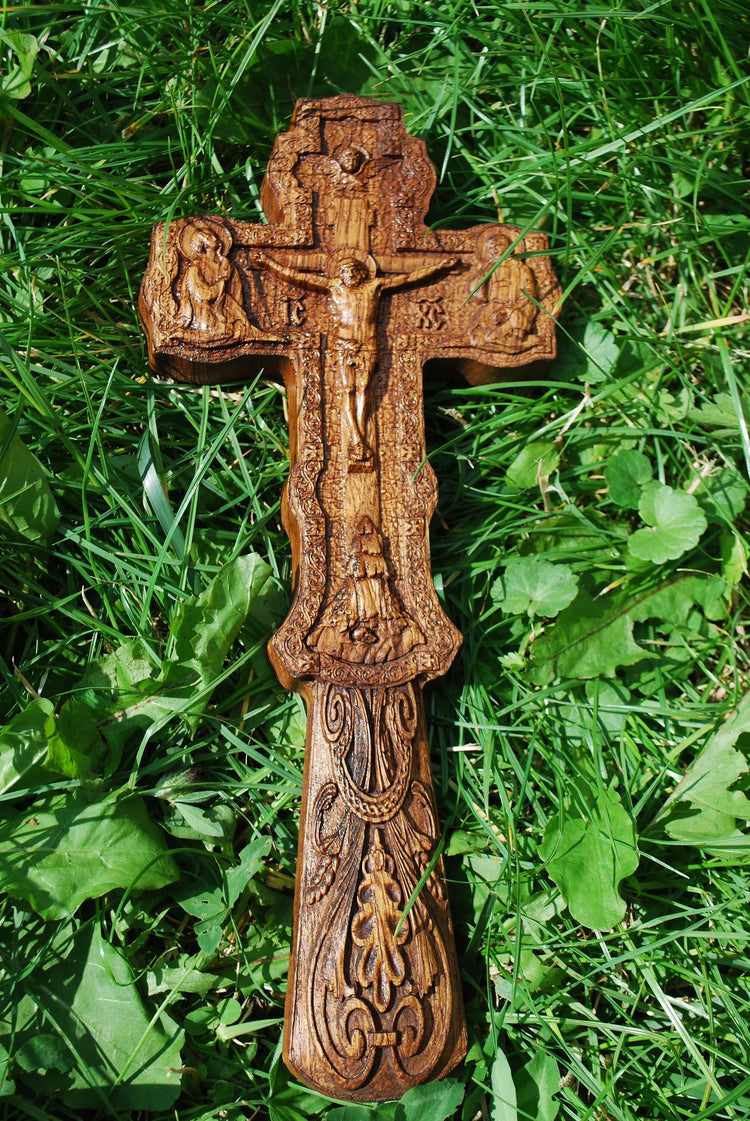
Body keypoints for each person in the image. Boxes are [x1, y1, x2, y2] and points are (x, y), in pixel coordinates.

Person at [254, 250, 456, 461]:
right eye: (345, 271)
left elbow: (408, 278)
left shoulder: (374, 287)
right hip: (344, 345)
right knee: (346, 390)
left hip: (368, 344)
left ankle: (360, 432)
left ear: (362, 273)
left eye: (353, 270)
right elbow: (299, 277)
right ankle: (356, 437)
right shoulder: (335, 287)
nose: (349, 274)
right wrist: (269, 263)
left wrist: (439, 267)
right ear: (340, 274)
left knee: (364, 388)